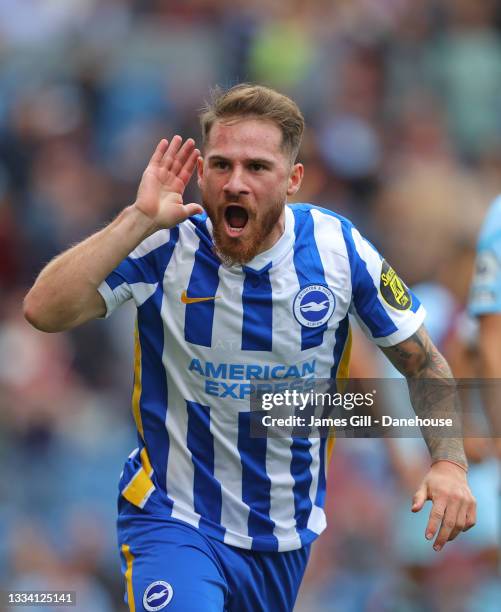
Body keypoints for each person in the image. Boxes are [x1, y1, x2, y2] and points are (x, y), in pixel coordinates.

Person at [24, 84, 476, 612]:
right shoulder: (163, 242)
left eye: (257, 167)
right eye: (221, 165)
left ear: (293, 180)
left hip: (282, 539)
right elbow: (43, 310)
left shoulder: (338, 251)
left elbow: (422, 363)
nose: (235, 183)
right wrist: (137, 218)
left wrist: (450, 463)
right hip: (174, 518)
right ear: (201, 172)